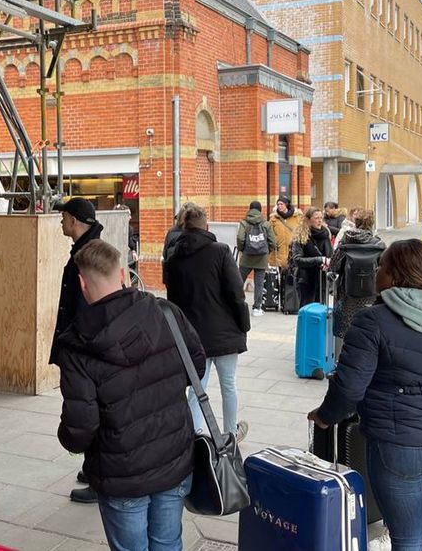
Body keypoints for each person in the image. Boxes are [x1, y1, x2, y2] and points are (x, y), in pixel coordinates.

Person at [309, 239, 422, 551]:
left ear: (395, 274)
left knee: (408, 536)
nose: (376, 272)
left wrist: (324, 417)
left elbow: (348, 388)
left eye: (382, 266)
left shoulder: (372, 321)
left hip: (399, 446)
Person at [57, 239, 206, 551]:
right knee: (168, 544)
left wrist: (69, 439)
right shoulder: (166, 312)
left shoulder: (76, 344)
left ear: (83, 283)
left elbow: (80, 426)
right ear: (123, 273)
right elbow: (197, 365)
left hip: (121, 473)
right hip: (174, 458)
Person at [165, 203, 251, 443]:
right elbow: (236, 293)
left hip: (192, 336)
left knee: (196, 388)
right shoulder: (220, 251)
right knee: (228, 385)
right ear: (206, 226)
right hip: (224, 331)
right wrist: (243, 325)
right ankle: (230, 435)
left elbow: (173, 301)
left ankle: (197, 436)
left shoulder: (174, 258)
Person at [51, 196, 105, 504]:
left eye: (64, 218)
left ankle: (99, 476)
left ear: (74, 221)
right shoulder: (86, 249)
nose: (61, 222)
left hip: (84, 349)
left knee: (89, 411)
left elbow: (90, 306)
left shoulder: (89, 254)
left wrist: (75, 345)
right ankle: (92, 467)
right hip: (81, 347)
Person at [329, 208, 384, 339]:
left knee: (346, 330)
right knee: (367, 330)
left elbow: (334, 266)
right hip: (370, 294)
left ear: (356, 222)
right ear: (372, 224)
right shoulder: (379, 244)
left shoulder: (345, 241)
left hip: (347, 293)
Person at [236, 200, 278, 316]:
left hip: (246, 257)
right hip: (261, 257)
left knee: (239, 281)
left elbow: (240, 238)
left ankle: (235, 304)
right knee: (259, 283)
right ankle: (257, 308)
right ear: (260, 210)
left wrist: (242, 249)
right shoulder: (266, 224)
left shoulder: (244, 223)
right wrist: (267, 251)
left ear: (250, 209)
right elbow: (273, 241)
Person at [290, 207, 333, 307]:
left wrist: (328, 264)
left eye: (321, 218)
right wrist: (320, 260)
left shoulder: (325, 234)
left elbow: (331, 255)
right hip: (306, 279)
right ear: (308, 220)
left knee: (320, 313)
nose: (319, 220)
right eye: (316, 218)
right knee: (307, 311)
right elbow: (297, 260)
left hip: (322, 279)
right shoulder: (301, 236)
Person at [268, 197, 297, 273]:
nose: (279, 206)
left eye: (281, 204)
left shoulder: (296, 217)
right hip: (278, 251)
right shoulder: (273, 219)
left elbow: (299, 231)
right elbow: (270, 233)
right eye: (278, 204)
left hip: (292, 250)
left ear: (286, 205)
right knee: (278, 276)